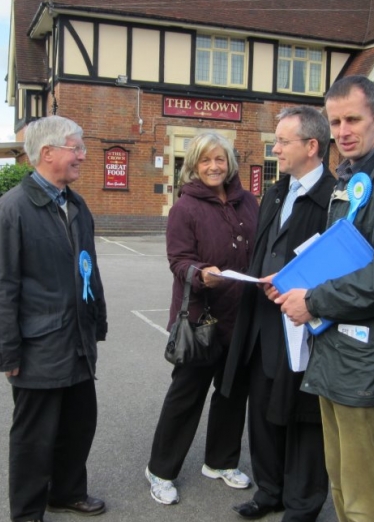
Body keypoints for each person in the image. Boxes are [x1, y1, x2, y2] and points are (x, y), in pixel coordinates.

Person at [275, 76, 374, 522]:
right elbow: (343, 256)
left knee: (365, 494)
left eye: (353, 119)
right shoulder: (353, 179)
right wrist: (295, 279)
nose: (343, 130)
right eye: (335, 121)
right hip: (340, 351)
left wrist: (316, 300)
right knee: (342, 481)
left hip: (372, 356)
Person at [0, 115, 108, 522]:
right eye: (76, 147)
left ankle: (66, 492)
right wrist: (3, 351)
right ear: (47, 153)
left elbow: (89, 270)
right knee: (35, 436)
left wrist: (96, 321)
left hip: (77, 341)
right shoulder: (11, 211)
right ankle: (28, 512)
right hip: (37, 347)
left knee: (78, 425)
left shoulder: (76, 205)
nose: (83, 155)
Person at [221, 106, 335, 522]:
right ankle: (270, 491)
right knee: (263, 409)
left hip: (303, 323)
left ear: (311, 146)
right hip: (262, 319)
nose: (275, 148)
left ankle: (302, 505)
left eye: (283, 141)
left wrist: (297, 287)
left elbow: (337, 264)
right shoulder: (274, 191)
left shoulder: (333, 197)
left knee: (302, 417)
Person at [144, 132, 259, 506]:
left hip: (241, 317)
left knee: (231, 394)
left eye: (220, 160)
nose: (213, 167)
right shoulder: (185, 208)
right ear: (193, 166)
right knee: (186, 397)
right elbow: (178, 260)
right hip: (201, 320)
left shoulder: (248, 203)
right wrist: (199, 273)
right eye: (205, 161)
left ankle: (220, 461)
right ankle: (160, 470)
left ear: (230, 164)